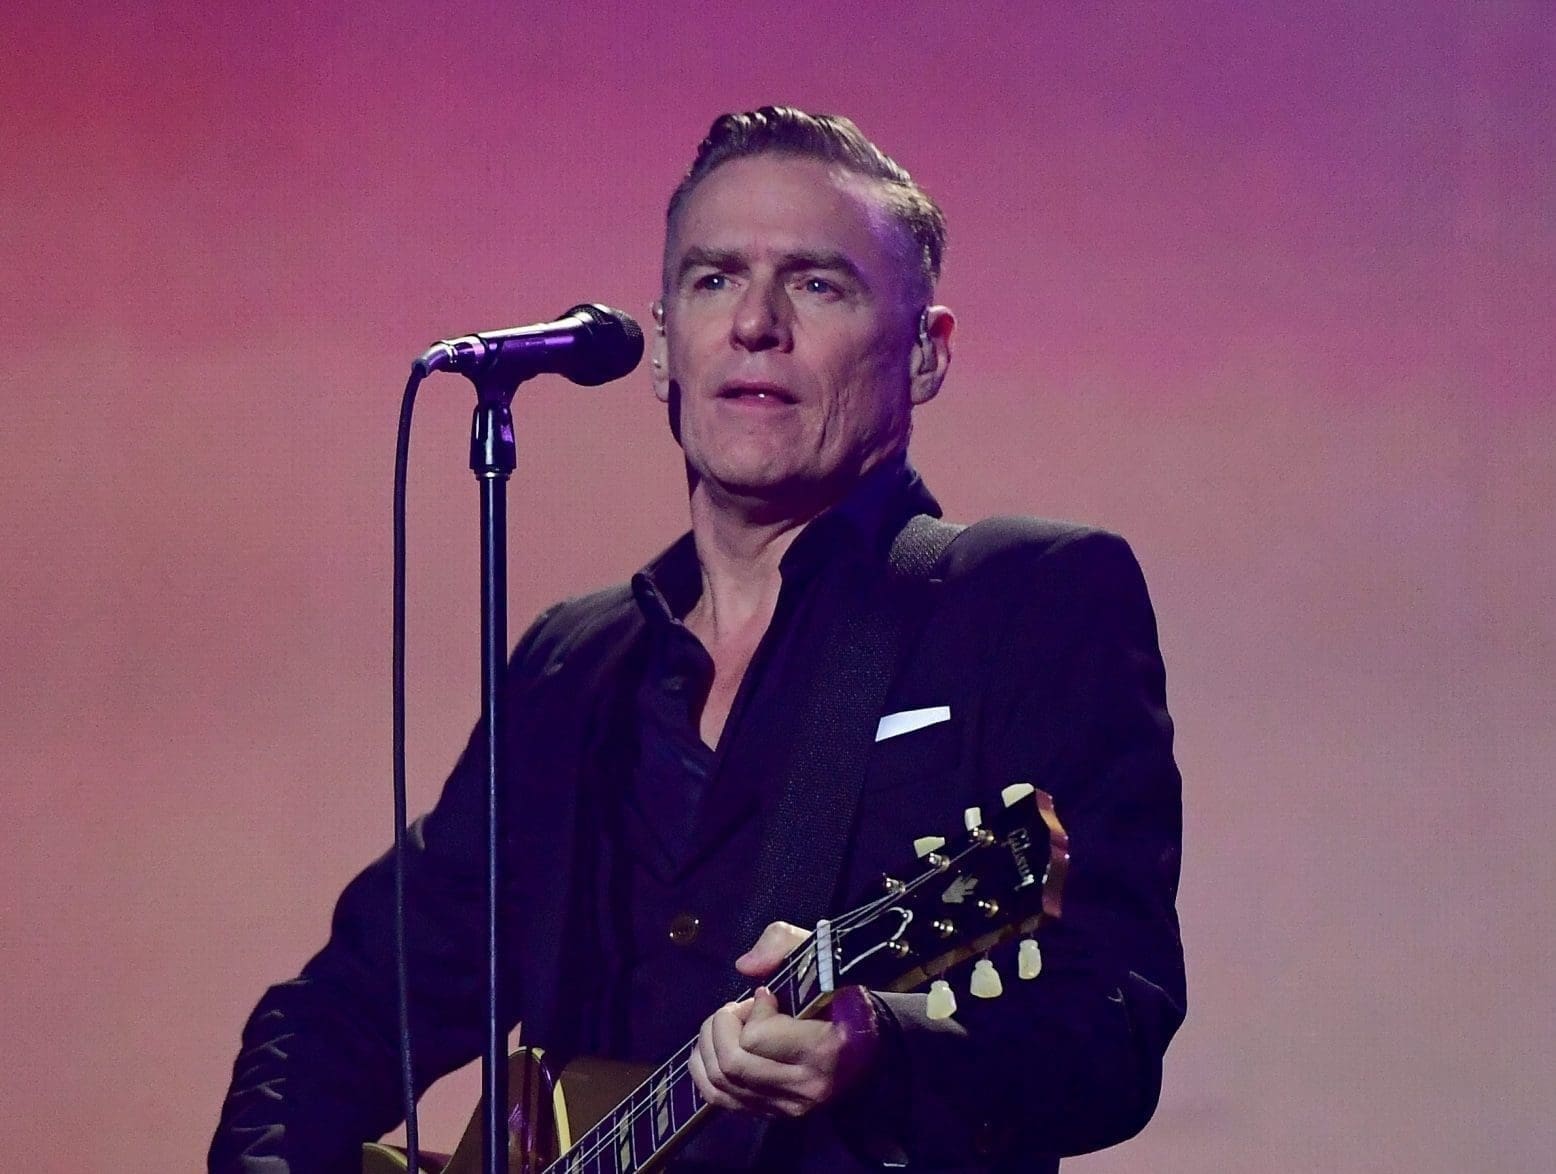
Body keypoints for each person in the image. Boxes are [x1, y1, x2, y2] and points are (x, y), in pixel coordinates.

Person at [211, 106, 1185, 1172]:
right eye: (715, 280)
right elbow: (342, 1012)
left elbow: (1113, 1020)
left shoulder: (1022, 600)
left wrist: (885, 1047)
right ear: (663, 344)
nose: (755, 323)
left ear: (923, 352)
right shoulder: (573, 666)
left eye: (818, 284)